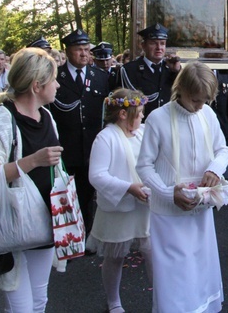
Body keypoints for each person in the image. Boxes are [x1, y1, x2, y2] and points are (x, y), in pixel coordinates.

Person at [0, 48, 63, 312]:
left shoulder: (47, 117)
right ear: (37, 85)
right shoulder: (0, 118)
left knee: (39, 301)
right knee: (21, 308)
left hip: (45, 222)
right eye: (54, 79)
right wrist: (32, 161)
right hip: (14, 223)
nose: (57, 85)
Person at [137, 61, 228, 313]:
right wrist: (169, 193)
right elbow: (144, 166)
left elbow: (223, 149)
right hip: (168, 213)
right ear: (181, 91)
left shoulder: (207, 114)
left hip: (200, 208)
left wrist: (214, 169)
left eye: (205, 101)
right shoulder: (157, 118)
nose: (199, 106)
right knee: (175, 275)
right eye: (195, 100)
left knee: (201, 267)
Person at [88, 89, 152, 313]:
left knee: (153, 251)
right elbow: (96, 175)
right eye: (140, 112)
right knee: (115, 256)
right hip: (120, 207)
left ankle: (161, 298)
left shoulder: (143, 133)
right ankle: (113, 301)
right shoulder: (106, 138)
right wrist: (128, 188)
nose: (143, 116)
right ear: (123, 114)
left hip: (146, 205)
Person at [50, 29, 110, 233]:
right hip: (66, 148)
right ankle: (68, 234)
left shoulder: (100, 77)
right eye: (79, 50)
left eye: (87, 49)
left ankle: (86, 233)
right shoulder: (56, 76)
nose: (84, 53)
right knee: (65, 194)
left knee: (88, 195)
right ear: (67, 52)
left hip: (93, 147)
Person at [117, 23, 181, 118]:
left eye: (162, 43)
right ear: (143, 46)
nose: (159, 48)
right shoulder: (130, 70)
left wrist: (177, 71)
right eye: (153, 43)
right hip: (142, 125)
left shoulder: (171, 69)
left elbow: (183, 94)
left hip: (169, 123)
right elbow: (125, 103)